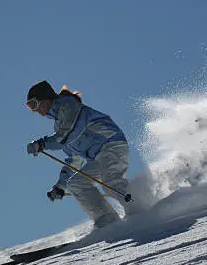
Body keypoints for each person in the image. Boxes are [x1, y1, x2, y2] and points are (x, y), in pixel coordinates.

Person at [25, 80, 136, 228]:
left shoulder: (69, 105)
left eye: (34, 104)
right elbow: (73, 159)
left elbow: (66, 136)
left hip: (110, 144)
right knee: (76, 183)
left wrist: (42, 144)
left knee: (110, 181)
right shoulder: (58, 123)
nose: (34, 110)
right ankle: (107, 220)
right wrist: (61, 186)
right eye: (29, 107)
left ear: (45, 98)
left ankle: (137, 209)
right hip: (97, 157)